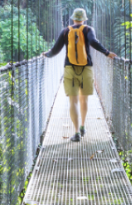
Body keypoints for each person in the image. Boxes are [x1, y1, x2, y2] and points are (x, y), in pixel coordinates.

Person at [41, 8, 117, 142]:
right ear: (84, 19)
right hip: (86, 68)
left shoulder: (66, 31)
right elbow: (93, 42)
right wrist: (107, 52)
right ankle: (82, 126)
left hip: (70, 68)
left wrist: (46, 54)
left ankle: (76, 132)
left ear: (73, 19)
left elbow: (56, 50)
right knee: (84, 99)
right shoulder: (88, 30)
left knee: (73, 101)